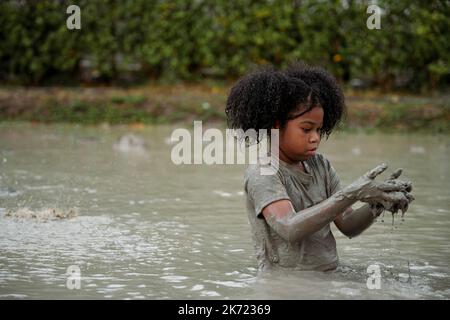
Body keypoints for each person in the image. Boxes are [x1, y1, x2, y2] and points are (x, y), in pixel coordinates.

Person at [225, 63, 414, 272]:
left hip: (328, 278)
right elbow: (289, 227)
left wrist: (378, 203)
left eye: (318, 129)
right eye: (306, 129)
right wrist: (352, 193)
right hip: (285, 286)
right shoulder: (264, 172)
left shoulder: (321, 166)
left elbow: (349, 225)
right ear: (276, 125)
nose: (315, 138)